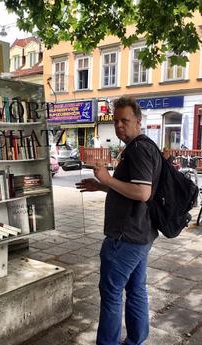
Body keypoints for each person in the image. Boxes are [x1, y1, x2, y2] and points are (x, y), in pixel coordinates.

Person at [76, 95, 161, 345]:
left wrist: (107, 179)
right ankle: (135, 340)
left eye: (124, 120)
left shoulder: (139, 149)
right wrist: (102, 187)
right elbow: (134, 189)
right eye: (115, 121)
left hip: (126, 236)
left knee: (112, 293)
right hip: (140, 233)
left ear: (138, 120)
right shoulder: (142, 147)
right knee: (136, 290)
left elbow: (142, 193)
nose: (119, 126)